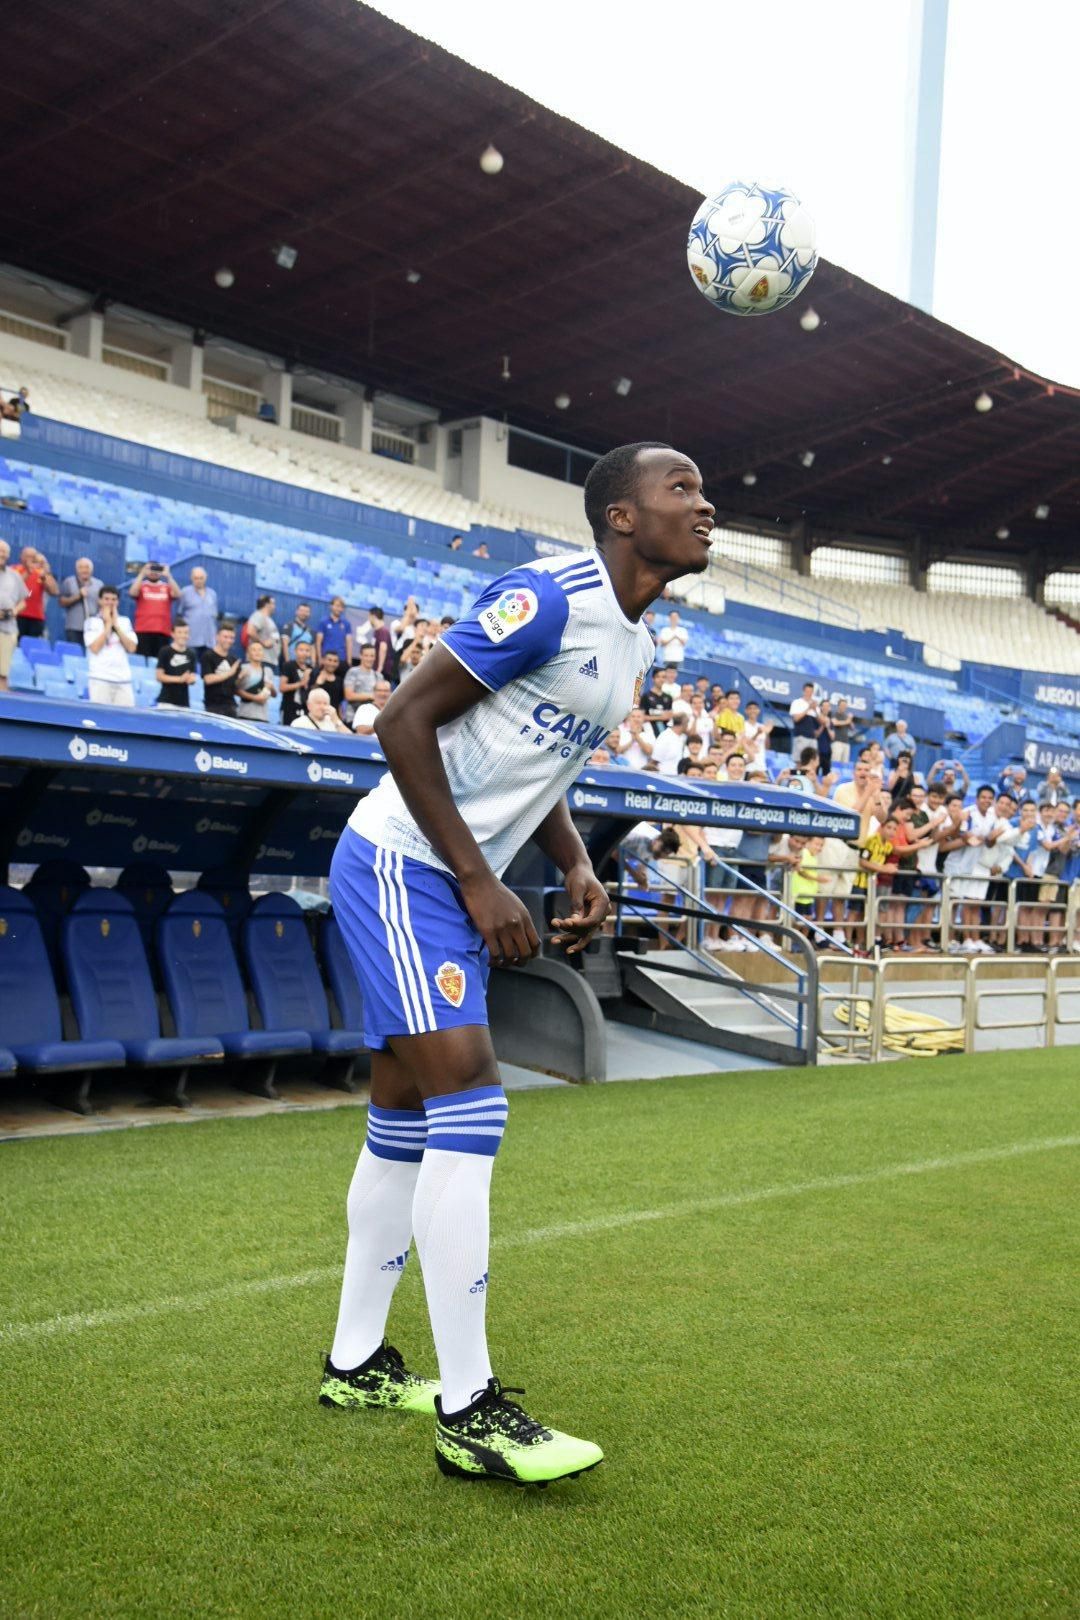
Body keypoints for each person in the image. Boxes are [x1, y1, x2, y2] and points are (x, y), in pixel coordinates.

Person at [322, 440, 713, 1484]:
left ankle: (356, 1359)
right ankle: (470, 1411)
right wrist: (477, 881)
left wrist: (576, 861)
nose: (704, 505)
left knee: (405, 1110)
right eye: (681, 488)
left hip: (437, 878)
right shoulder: (547, 599)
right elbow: (400, 718)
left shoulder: (631, 644)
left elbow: (540, 768)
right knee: (473, 1104)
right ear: (622, 518)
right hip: (403, 865)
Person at [83, 585, 137, 706]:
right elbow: (95, 648)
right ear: (100, 601)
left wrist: (116, 625)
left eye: (113, 599)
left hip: (123, 680)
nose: (110, 603)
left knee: (126, 720)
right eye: (106, 599)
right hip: (100, 678)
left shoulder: (125, 622)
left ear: (118, 602)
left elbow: (132, 648)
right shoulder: (91, 622)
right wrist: (108, 624)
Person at [128, 560, 179, 658]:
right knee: (141, 660)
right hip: (143, 630)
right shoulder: (141, 585)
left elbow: (177, 594)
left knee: (159, 662)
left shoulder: (166, 587)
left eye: (157, 569)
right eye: (151, 569)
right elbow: (133, 593)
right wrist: (142, 574)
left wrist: (169, 576)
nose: (154, 572)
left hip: (162, 631)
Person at [0, 539, 28, 691]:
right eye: (0, 550)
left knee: (3, 673)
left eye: (5, 551)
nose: (2, 554)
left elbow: (23, 601)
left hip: (8, 629)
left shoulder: (15, 576)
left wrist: (14, 612)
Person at [14, 547, 57, 639]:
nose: (30, 559)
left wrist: (46, 574)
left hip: (36, 618)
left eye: (33, 557)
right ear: (21, 557)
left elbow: (54, 591)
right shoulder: (14, 569)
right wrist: (28, 572)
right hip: (17, 615)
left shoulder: (40, 573)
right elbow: (14, 587)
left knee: (32, 645)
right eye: (27, 556)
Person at [58, 557, 103, 644]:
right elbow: (61, 602)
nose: (84, 570)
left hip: (93, 627)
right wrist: (78, 596)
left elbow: (102, 604)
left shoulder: (99, 584)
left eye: (87, 567)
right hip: (74, 626)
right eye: (81, 567)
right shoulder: (69, 582)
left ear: (92, 569)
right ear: (76, 569)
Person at [200, 622, 241, 716]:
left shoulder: (234, 660)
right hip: (213, 706)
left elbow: (235, 686)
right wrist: (229, 673)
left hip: (231, 705)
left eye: (231, 638)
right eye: (225, 637)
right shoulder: (208, 656)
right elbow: (208, 679)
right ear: (217, 637)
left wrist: (243, 678)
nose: (229, 640)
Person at [154, 621, 198, 708]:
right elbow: (159, 676)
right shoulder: (165, 651)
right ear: (173, 634)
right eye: (180, 632)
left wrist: (191, 680)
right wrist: (179, 679)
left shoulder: (191, 654)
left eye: (186, 633)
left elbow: (192, 676)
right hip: (166, 702)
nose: (183, 635)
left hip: (184, 704)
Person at [177, 567, 219, 652]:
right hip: (191, 639)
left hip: (209, 640)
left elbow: (214, 616)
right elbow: (179, 614)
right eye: (196, 578)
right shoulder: (185, 592)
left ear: (205, 578)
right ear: (191, 578)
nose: (199, 580)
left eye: (201, 578)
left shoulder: (212, 594)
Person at [235, 640, 276, 722]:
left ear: (263, 653)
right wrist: (240, 677)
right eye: (254, 650)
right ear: (248, 653)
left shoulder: (268, 671)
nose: (257, 652)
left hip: (262, 716)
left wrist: (271, 688)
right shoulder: (243, 668)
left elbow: (274, 694)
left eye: (260, 650)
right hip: (244, 714)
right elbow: (235, 689)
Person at [245, 594, 281, 671]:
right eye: (273, 603)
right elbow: (250, 631)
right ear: (267, 604)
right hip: (261, 660)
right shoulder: (258, 615)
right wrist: (263, 642)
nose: (274, 606)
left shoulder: (268, 619)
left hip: (269, 661)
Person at [342, 644, 378, 722]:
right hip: (353, 717)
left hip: (371, 719)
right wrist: (371, 696)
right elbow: (349, 695)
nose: (369, 658)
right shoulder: (353, 672)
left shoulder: (378, 675)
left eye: (372, 656)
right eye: (366, 655)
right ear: (360, 656)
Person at [316, 597, 353, 667]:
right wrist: (319, 658)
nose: (339, 609)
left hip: (341, 659)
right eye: (337, 606)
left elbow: (349, 643)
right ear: (331, 606)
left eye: (341, 607)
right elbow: (318, 642)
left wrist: (349, 660)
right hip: (326, 659)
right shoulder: (323, 622)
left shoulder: (346, 624)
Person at [652, 711, 690, 775]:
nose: (688, 726)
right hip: (666, 777)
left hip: (681, 778)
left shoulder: (684, 737)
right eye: (687, 723)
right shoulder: (665, 737)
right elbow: (655, 760)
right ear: (684, 723)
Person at [314, 650, 345, 715]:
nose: (332, 663)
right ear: (323, 660)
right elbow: (310, 697)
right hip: (317, 716)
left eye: (335, 661)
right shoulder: (314, 675)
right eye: (329, 660)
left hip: (333, 717)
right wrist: (318, 683)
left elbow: (339, 703)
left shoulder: (340, 680)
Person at [367, 606, 393, 677]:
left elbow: (383, 648)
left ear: (373, 616)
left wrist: (380, 667)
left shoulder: (383, 631)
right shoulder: (378, 631)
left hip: (383, 671)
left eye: (369, 617)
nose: (369, 619)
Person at [831, 698, 855, 764]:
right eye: (842, 705)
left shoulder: (846, 716)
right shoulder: (834, 714)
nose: (843, 707)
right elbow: (835, 723)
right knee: (836, 762)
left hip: (846, 743)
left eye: (845, 705)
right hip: (837, 742)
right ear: (838, 705)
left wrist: (850, 719)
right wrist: (847, 721)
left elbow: (852, 728)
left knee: (845, 763)